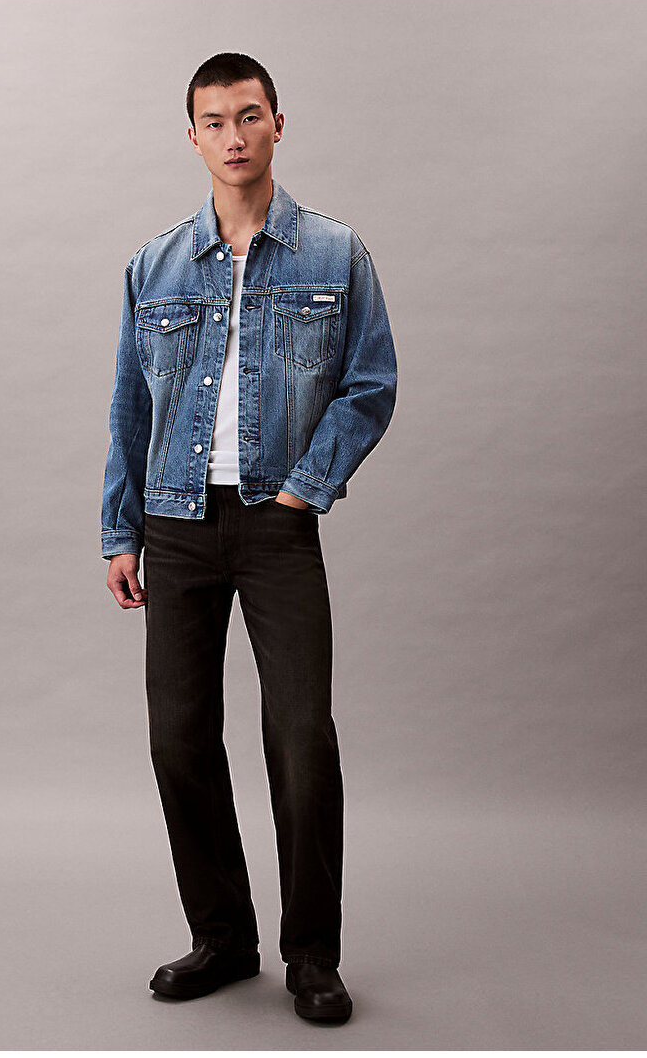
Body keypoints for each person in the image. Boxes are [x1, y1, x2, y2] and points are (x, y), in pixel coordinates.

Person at [101, 52, 397, 1023]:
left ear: (277, 123)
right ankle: (223, 938)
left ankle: (311, 954)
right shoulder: (153, 265)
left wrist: (307, 489)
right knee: (178, 738)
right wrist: (120, 530)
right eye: (214, 121)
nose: (233, 135)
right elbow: (130, 409)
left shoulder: (334, 254)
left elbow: (370, 384)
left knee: (301, 738)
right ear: (191, 137)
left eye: (249, 115)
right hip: (175, 523)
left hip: (277, 523)